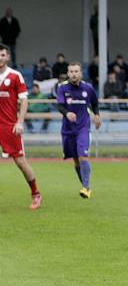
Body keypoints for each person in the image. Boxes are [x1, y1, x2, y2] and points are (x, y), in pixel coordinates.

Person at [0, 44, 42, 210]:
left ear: (7, 57)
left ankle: (36, 194)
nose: (0, 58)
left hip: (10, 128)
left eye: (3, 55)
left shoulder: (15, 76)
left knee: (20, 162)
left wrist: (19, 122)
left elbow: (24, 100)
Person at [56, 62, 101, 198]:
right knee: (76, 160)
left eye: (76, 71)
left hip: (83, 127)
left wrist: (97, 115)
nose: (73, 74)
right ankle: (85, 185)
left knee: (83, 156)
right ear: (68, 73)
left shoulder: (88, 88)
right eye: (71, 71)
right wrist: (67, 113)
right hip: (68, 130)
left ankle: (86, 188)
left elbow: (94, 103)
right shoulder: (62, 88)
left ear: (81, 73)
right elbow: (59, 105)